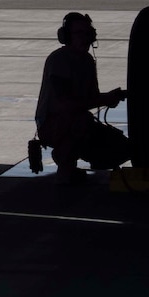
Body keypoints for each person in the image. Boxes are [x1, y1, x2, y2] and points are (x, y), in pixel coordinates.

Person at [35, 12, 129, 179]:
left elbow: (90, 98)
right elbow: (64, 105)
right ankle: (65, 163)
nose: (85, 38)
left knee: (121, 147)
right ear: (66, 36)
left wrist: (111, 97)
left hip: (75, 119)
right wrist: (104, 99)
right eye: (79, 33)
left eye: (88, 33)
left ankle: (71, 155)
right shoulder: (60, 60)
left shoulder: (86, 60)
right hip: (53, 123)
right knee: (81, 123)